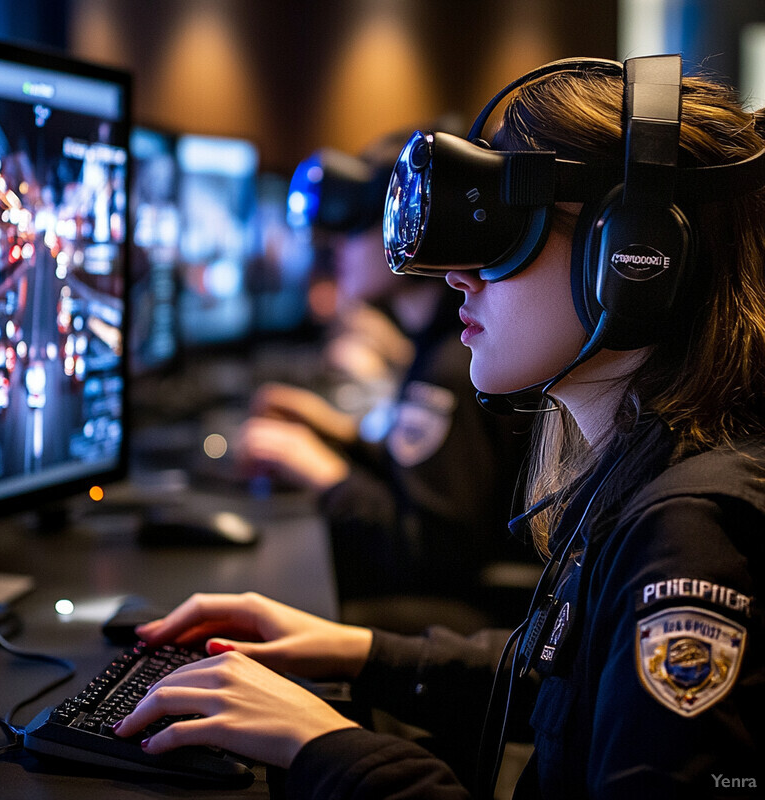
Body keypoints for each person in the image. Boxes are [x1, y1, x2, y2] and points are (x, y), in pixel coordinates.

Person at [114, 56, 765, 798]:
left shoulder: (695, 534)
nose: (458, 273)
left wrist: (325, 743)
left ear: (633, 257)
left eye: (509, 237)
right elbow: (569, 682)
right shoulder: (647, 471)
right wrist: (355, 651)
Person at [234, 132, 533, 621]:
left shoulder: (455, 366)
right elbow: (421, 477)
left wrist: (323, 471)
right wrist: (336, 432)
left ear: (420, 224)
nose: (335, 248)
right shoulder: (437, 343)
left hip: (463, 616)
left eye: (358, 227)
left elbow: (429, 552)